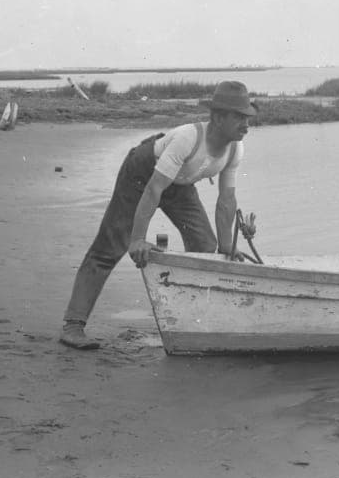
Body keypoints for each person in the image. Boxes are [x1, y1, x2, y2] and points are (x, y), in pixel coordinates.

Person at [59, 80, 257, 349]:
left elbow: (226, 199)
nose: (247, 124)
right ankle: (73, 326)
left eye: (248, 117)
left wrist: (226, 245)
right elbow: (153, 189)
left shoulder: (236, 148)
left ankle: (189, 322)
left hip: (180, 184)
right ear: (218, 117)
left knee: (205, 246)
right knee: (111, 246)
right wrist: (138, 238)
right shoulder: (189, 138)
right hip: (142, 174)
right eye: (240, 117)